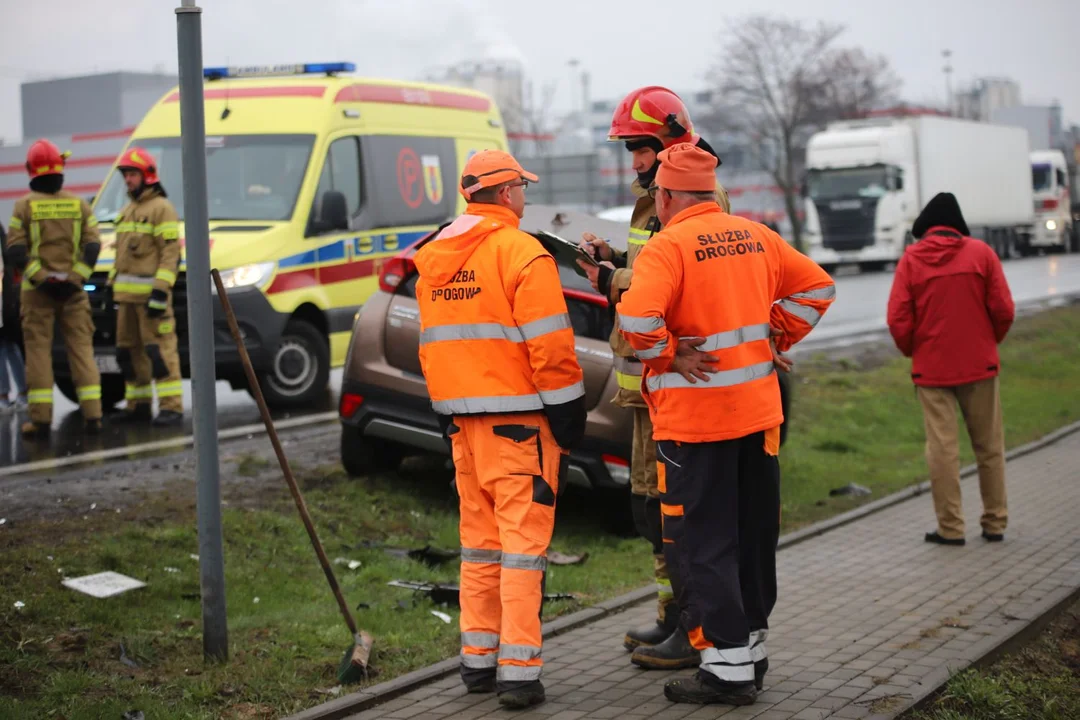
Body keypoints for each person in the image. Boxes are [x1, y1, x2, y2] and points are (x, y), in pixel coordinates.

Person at [617, 142, 835, 705]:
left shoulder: (668, 247)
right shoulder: (756, 236)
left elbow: (637, 319)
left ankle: (726, 670)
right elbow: (818, 288)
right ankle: (751, 652)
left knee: (699, 543)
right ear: (710, 193)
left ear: (666, 196)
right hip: (758, 420)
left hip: (695, 425)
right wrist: (775, 334)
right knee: (751, 537)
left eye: (658, 196)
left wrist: (669, 355)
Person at [413, 149, 586, 710]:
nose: (525, 197)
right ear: (508, 192)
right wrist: (568, 412)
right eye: (522, 189)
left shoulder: (436, 257)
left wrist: (448, 412)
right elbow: (552, 347)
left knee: (481, 549)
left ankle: (477, 663)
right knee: (521, 551)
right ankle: (518, 675)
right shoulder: (521, 253)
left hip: (463, 427)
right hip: (521, 430)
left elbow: (435, 348)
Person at [575, 85, 731, 670]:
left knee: (673, 510)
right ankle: (673, 617)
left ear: (670, 142)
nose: (635, 161)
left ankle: (691, 630)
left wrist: (609, 277)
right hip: (646, 383)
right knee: (649, 508)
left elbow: (672, 281)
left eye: (642, 148)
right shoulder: (652, 199)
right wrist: (613, 257)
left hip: (670, 381)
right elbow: (652, 266)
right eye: (630, 150)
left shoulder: (691, 198)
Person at [886, 192, 1014, 546]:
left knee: (942, 450)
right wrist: (989, 343)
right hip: (980, 366)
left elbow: (898, 319)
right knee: (989, 446)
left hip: (932, 372)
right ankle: (995, 522)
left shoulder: (911, 260)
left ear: (925, 230)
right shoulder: (982, 254)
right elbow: (1003, 309)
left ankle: (951, 528)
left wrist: (916, 350)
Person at [5, 139, 102, 436]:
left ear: (31, 171)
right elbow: (93, 246)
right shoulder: (79, 205)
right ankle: (94, 417)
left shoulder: (24, 206)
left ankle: (42, 420)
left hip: (38, 294)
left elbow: (15, 251)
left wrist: (43, 279)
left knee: (38, 354)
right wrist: (75, 278)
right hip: (74, 293)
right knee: (82, 352)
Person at [108, 147, 184, 427]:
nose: (127, 180)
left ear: (147, 176)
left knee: (159, 352)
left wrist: (160, 291)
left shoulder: (161, 209)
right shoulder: (128, 210)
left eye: (132, 174)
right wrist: (111, 287)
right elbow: (123, 255)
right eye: (126, 175)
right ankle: (138, 405)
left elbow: (169, 253)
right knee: (128, 353)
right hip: (126, 298)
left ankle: (171, 407)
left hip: (152, 299)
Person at [0, 221, 28, 413]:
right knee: (8, 346)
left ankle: (6, 396)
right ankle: (20, 394)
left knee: (6, 346)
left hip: (4, 299)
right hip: (6, 298)